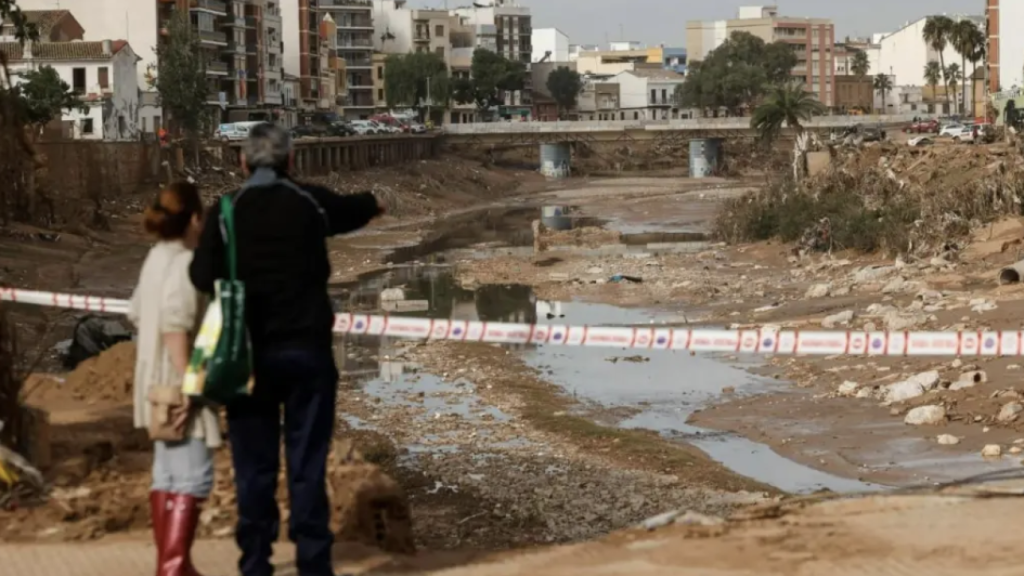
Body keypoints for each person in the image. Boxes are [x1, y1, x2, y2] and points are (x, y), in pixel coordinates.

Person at [189, 123, 384, 576]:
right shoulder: (309, 202)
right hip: (307, 354)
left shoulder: (226, 211)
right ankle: (313, 561)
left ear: (243, 162)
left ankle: (256, 561)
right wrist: (374, 203)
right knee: (306, 461)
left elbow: (200, 276)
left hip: (247, 358)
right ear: (291, 161)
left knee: (253, 466)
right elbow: (354, 209)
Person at [129, 181, 221, 576]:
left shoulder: (155, 258)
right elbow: (175, 323)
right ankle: (174, 567)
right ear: (195, 219)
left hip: (153, 380)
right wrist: (191, 383)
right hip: (178, 380)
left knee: (167, 474)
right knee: (194, 476)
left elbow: (136, 313)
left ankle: (170, 566)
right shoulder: (185, 264)